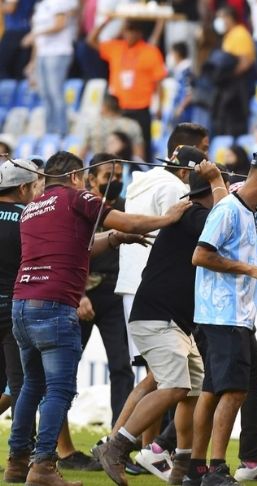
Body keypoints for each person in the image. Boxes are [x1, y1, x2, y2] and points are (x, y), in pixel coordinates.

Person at [5, 151, 190, 486]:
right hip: (55, 304)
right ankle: (43, 466)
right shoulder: (78, 197)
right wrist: (168, 217)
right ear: (77, 176)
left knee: (31, 385)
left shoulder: (34, 206)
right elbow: (129, 220)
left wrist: (117, 239)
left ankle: (17, 461)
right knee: (59, 389)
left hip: (23, 304)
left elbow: (81, 247)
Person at [95, 162, 227, 486]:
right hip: (158, 317)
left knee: (191, 390)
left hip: (172, 320)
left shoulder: (188, 216)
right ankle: (118, 446)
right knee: (175, 387)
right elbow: (226, 222)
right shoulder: (197, 216)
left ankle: (181, 464)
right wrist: (219, 180)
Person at [183, 148, 257, 486]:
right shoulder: (229, 210)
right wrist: (252, 270)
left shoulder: (254, 210)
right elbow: (200, 256)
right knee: (233, 389)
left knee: (220, 386)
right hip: (222, 314)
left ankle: (196, 468)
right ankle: (215, 467)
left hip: (234, 316)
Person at [115, 123, 209, 369]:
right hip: (156, 287)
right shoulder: (174, 188)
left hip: (132, 282)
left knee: (155, 373)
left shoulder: (144, 181)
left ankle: (132, 410)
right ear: (185, 173)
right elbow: (183, 232)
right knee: (163, 376)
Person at [79, 154, 135, 429]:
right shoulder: (80, 208)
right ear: (91, 179)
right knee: (62, 370)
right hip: (82, 293)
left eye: (120, 176)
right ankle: (53, 446)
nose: (116, 181)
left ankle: (117, 440)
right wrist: (79, 294)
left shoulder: (127, 208)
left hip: (116, 293)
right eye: (109, 176)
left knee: (122, 367)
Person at [88, 18, 167, 162]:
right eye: (127, 31)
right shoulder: (116, 47)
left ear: (139, 33)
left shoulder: (151, 51)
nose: (129, 35)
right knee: (115, 149)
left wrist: (160, 105)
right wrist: (107, 20)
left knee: (143, 150)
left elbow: (159, 81)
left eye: (133, 31)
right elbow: (92, 40)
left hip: (141, 108)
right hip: (119, 110)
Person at [0, 159, 40, 429]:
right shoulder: (29, 218)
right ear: (23, 187)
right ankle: (21, 457)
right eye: (37, 185)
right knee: (20, 383)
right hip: (13, 309)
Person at [22, 0, 77, 136]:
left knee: (55, 93)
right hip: (43, 54)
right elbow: (38, 40)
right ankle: (50, 131)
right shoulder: (40, 6)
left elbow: (60, 24)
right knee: (45, 94)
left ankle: (61, 131)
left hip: (58, 52)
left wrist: (36, 34)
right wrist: (32, 61)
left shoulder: (60, 2)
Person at [211, 6, 255, 137]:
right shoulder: (229, 35)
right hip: (230, 86)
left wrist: (230, 75)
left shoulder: (240, 34)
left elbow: (246, 61)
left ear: (231, 18)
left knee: (236, 120)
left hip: (239, 85)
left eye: (222, 17)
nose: (219, 21)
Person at [78, 95, 144, 161]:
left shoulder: (92, 125)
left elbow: (82, 154)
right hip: (124, 168)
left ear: (104, 107)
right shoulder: (132, 125)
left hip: (98, 168)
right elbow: (138, 156)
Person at [0, 0, 35, 79]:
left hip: (16, 32)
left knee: (4, 71)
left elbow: (10, 8)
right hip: (26, 30)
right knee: (19, 71)